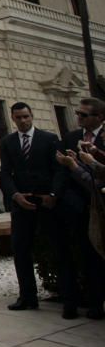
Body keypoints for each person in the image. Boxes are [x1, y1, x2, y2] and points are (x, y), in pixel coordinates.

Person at [0, 102, 77, 318]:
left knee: (59, 249)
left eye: (26, 116)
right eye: (18, 118)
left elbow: (60, 171)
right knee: (21, 249)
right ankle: (27, 296)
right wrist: (15, 195)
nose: (23, 121)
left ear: (32, 116)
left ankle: (70, 300)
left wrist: (53, 196)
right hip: (22, 203)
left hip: (47, 202)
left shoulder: (49, 139)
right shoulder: (8, 142)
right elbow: (5, 173)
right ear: (13, 119)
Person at [60, 98, 105, 319]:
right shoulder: (71, 138)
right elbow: (63, 173)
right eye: (77, 113)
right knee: (88, 256)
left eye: (84, 115)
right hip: (81, 207)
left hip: (102, 202)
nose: (78, 117)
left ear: (99, 117)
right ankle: (94, 303)